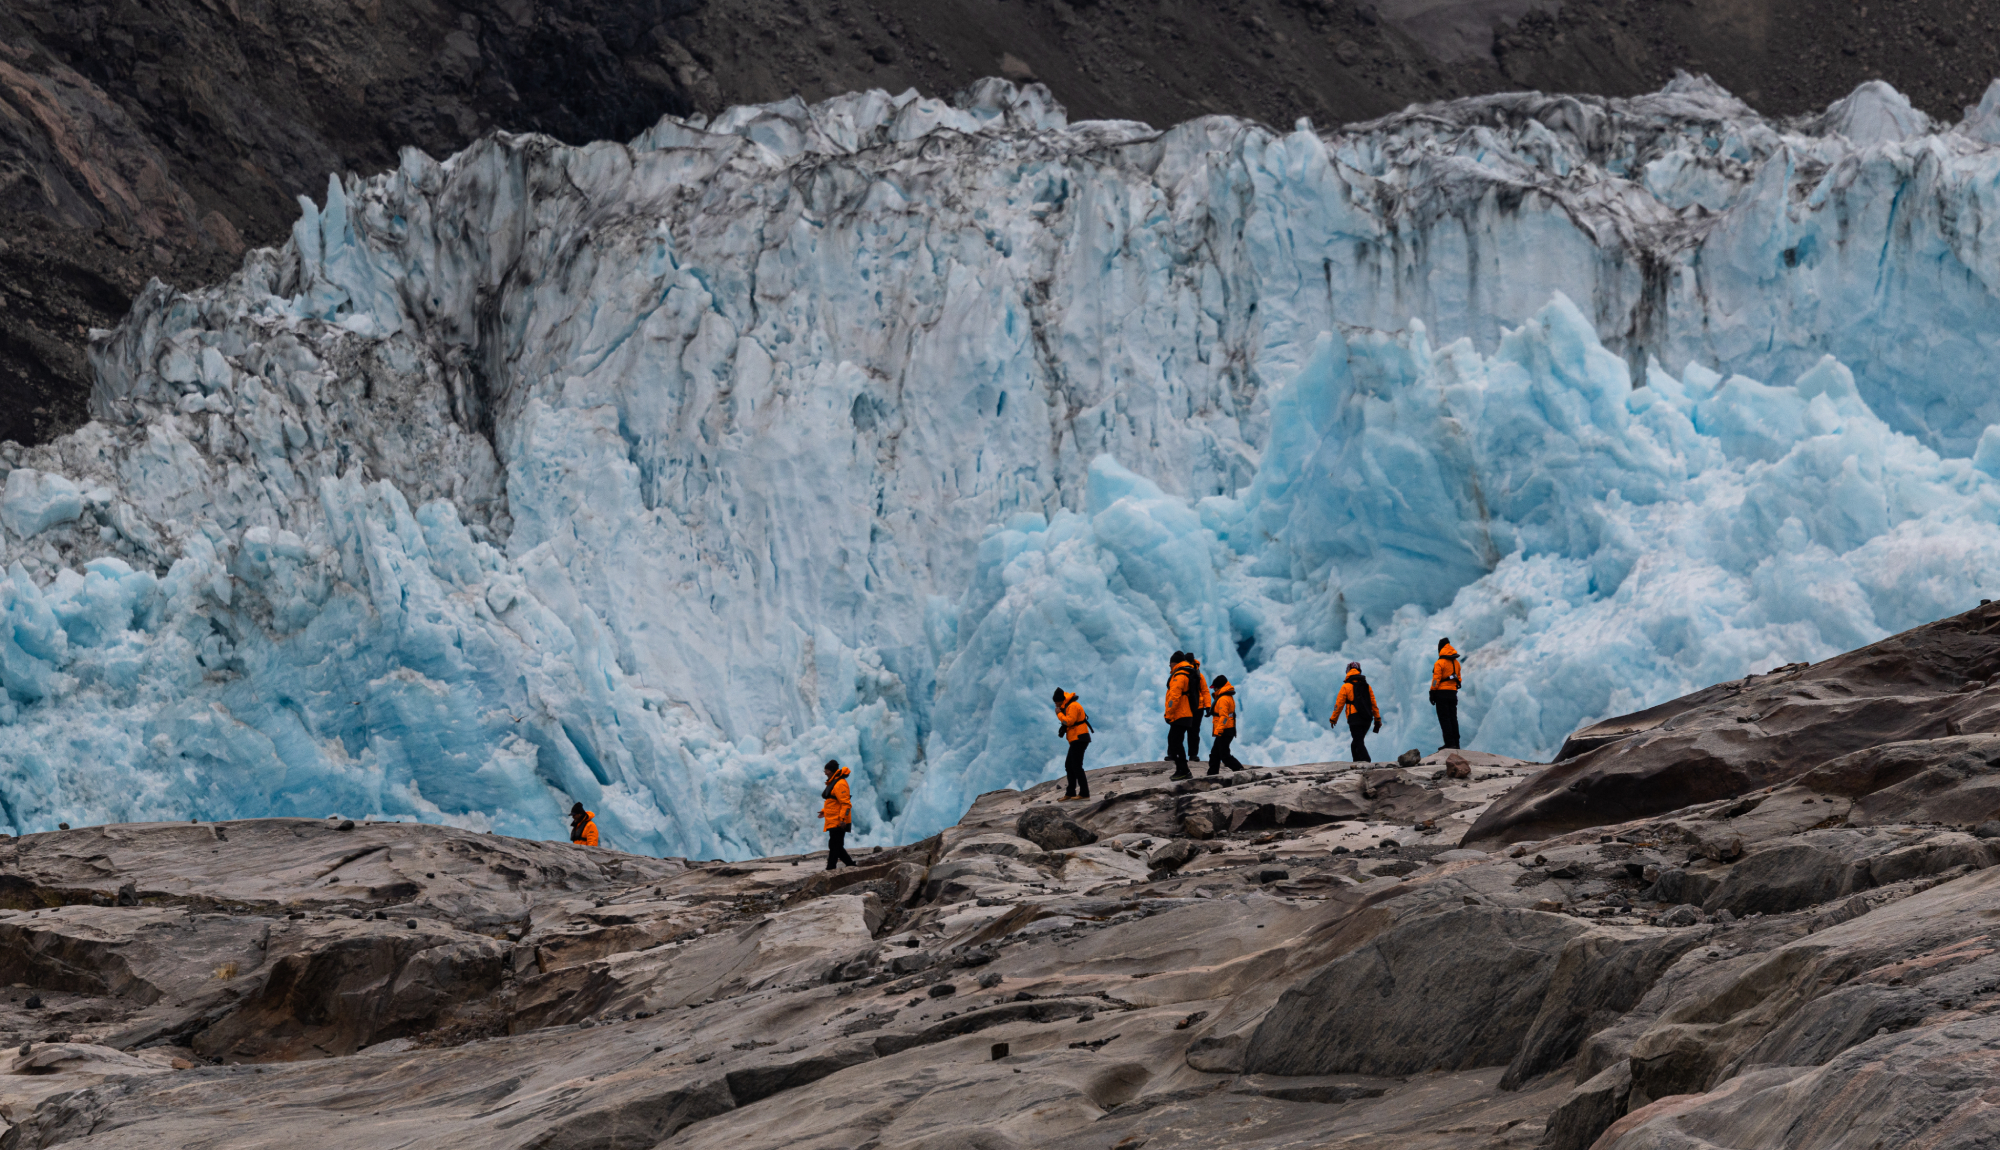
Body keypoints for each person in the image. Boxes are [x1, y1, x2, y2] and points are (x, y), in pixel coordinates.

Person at [1329, 661, 1381, 763]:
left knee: (1358, 741)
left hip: (1354, 718)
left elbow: (1338, 705)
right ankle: (1357, 763)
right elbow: (1374, 704)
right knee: (1356, 743)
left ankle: (1366, 761)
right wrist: (1377, 719)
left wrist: (1333, 718)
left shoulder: (1346, 687)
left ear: (1347, 671)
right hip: (1367, 718)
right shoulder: (1367, 686)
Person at [1163, 651, 1200, 780]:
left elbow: (1174, 697)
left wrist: (1169, 713)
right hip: (1185, 713)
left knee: (1176, 743)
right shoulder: (1187, 673)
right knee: (1176, 742)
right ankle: (1181, 769)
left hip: (1180, 714)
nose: (1169, 666)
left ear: (1175, 663)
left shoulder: (1179, 676)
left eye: (1170, 664)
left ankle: (1184, 770)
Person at [1053, 688, 1093, 800]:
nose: (1055, 704)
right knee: (1069, 765)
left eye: (1056, 702)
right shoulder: (1068, 706)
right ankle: (1070, 792)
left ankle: (1084, 793)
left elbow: (1069, 721)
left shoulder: (1073, 706)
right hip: (1076, 739)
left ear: (1062, 700)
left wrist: (1059, 714)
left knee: (1076, 766)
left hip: (1080, 738)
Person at [821, 759, 856, 870]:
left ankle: (830, 868)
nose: (825, 772)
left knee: (834, 845)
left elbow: (846, 804)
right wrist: (824, 811)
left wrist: (842, 819)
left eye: (826, 770)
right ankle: (851, 865)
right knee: (836, 846)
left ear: (831, 770)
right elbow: (833, 802)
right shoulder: (834, 781)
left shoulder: (840, 784)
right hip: (833, 818)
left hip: (839, 820)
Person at [1431, 637, 1463, 750]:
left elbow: (1436, 679)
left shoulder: (1439, 663)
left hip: (1441, 694)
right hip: (1453, 694)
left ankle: (1449, 743)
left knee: (1444, 719)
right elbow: (1459, 678)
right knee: (1453, 718)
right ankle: (1456, 743)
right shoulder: (1456, 663)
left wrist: (1432, 692)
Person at [1207, 674, 1242, 775]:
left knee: (1224, 756)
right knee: (1215, 754)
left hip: (1224, 730)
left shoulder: (1223, 699)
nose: (1214, 690)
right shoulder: (1227, 697)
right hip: (1227, 729)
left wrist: (1219, 730)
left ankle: (1239, 770)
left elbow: (1224, 717)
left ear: (1219, 687)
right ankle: (1212, 774)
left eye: (1215, 688)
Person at [1185, 653, 1210, 760]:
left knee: (1179, 731)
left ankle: (1176, 754)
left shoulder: (1182, 674)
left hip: (1186, 707)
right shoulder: (1199, 674)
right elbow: (1205, 691)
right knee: (1194, 732)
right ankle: (1193, 755)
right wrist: (1208, 706)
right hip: (1198, 707)